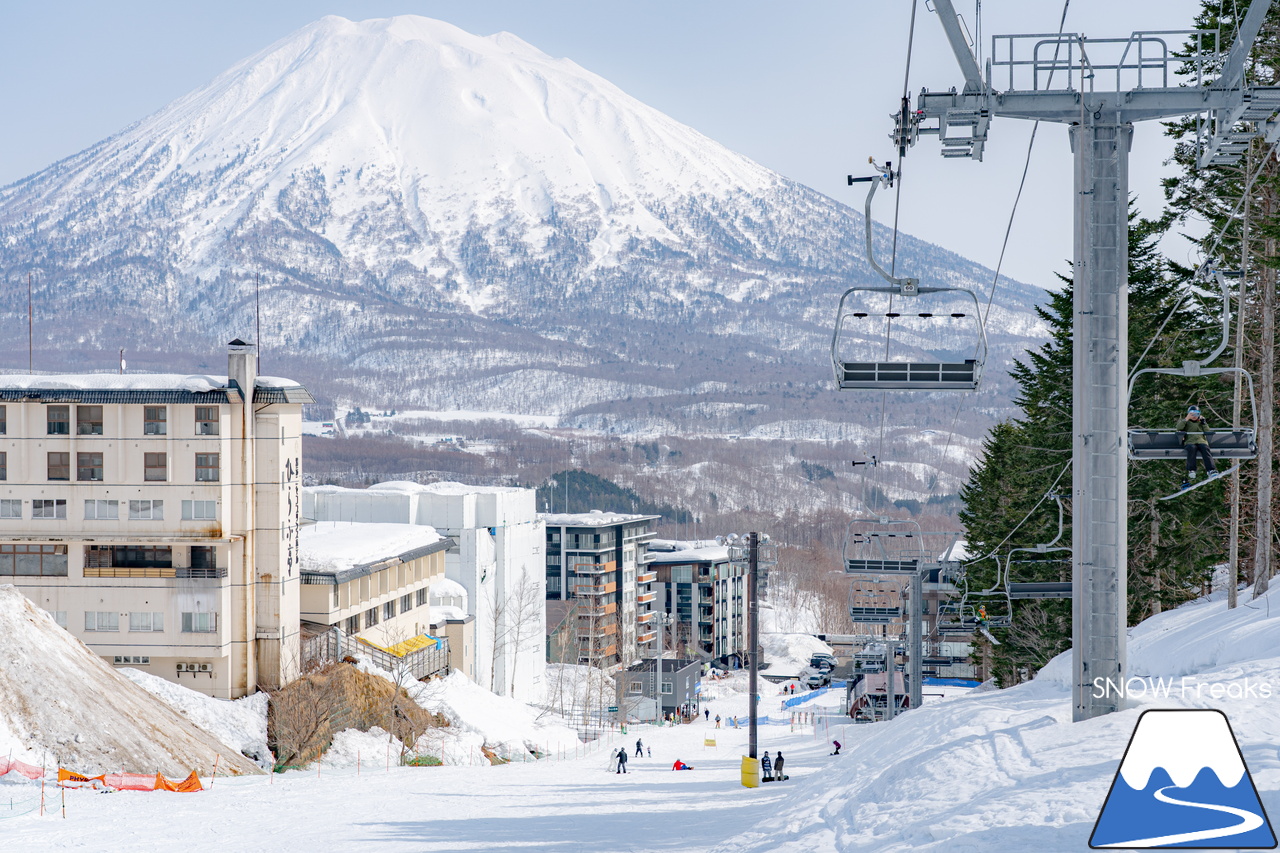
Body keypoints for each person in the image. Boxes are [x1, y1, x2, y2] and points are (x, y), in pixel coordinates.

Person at [1177, 405, 1217, 487]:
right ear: (1188, 414)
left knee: (1205, 448)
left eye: (1197, 414)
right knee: (1192, 449)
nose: (1194, 416)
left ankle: (1211, 470)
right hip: (1190, 441)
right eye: (1192, 414)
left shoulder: (1201, 422)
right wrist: (1186, 419)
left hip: (1201, 441)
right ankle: (1191, 469)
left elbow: (1207, 431)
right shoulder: (1186, 422)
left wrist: (1204, 423)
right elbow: (1179, 427)